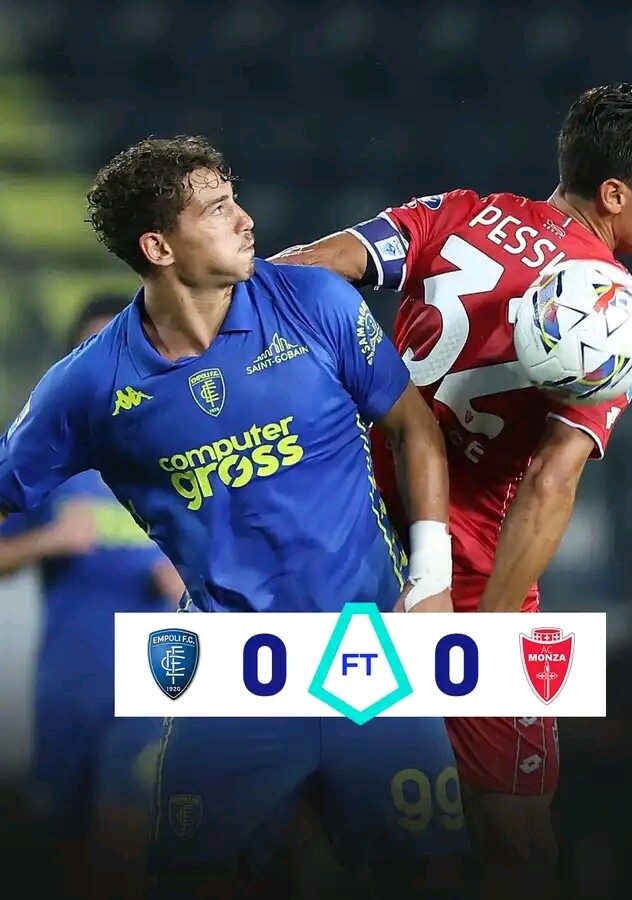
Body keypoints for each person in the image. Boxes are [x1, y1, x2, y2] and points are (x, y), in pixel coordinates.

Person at [0, 136, 467, 899]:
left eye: (234, 199)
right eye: (217, 210)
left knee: (434, 878)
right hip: (230, 674)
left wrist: (432, 577)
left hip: (368, 650)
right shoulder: (89, 387)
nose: (246, 219)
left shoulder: (314, 303)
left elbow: (414, 428)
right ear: (158, 247)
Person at [269, 82, 632, 898]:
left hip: (346, 540)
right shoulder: (615, 314)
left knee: (294, 800)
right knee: (514, 836)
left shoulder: (459, 212)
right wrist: (489, 638)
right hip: (472, 571)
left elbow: (303, 271)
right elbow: (549, 480)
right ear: (617, 195)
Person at [0, 294, 184, 897]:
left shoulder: (192, 459)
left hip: (158, 686)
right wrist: (47, 540)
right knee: (62, 854)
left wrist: (194, 579)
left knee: (123, 843)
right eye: (92, 352)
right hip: (68, 688)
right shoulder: (40, 457)